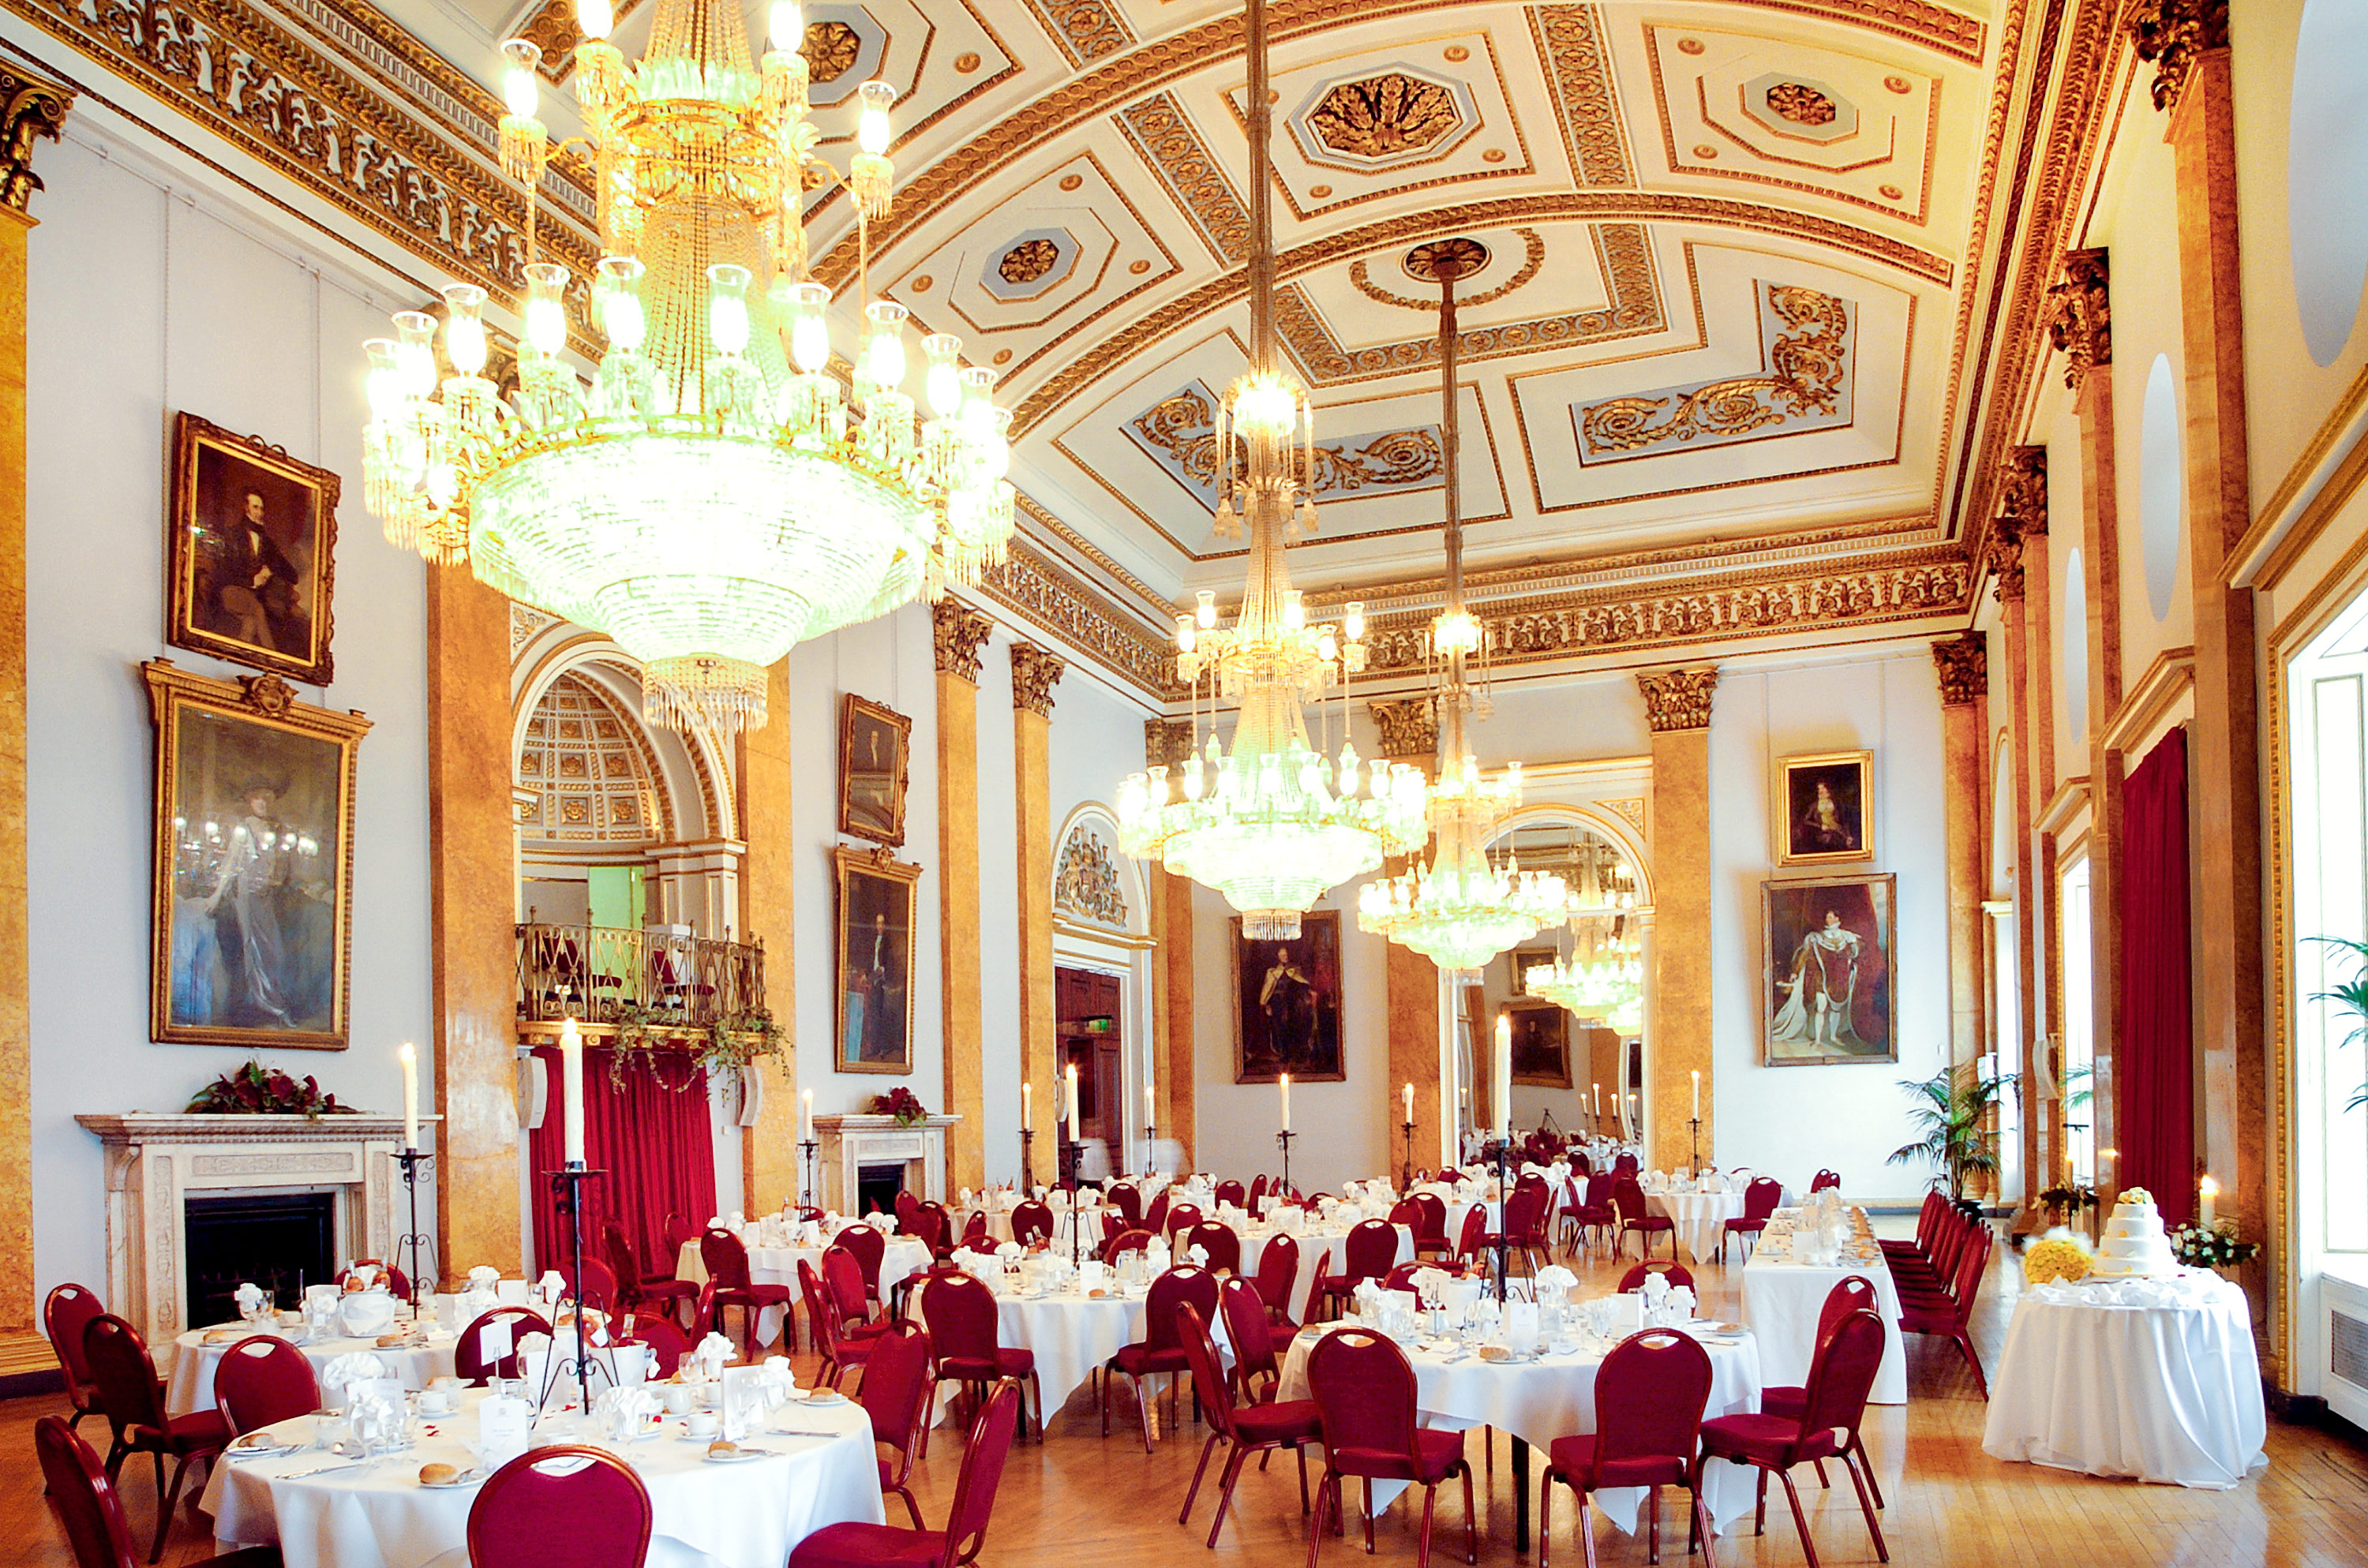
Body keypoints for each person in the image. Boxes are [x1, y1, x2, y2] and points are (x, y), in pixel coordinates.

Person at [205, 779, 298, 1027]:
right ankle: (266, 1006)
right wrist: (216, 895)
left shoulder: (274, 829)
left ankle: (272, 1003)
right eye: (258, 798)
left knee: (274, 950)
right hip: (248, 895)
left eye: (267, 798)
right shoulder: (244, 829)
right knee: (254, 948)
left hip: (267, 896)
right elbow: (231, 864)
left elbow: (281, 863)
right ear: (250, 801)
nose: (263, 803)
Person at [200, 488, 305, 654]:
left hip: (254, 596)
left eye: (262, 509)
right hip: (228, 592)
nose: (259, 513)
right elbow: (223, 574)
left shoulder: (267, 542)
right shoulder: (232, 534)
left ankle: (237, 657)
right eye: (255, 507)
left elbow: (293, 575)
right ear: (246, 508)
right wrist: (252, 580)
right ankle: (272, 657)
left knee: (250, 622)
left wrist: (270, 570)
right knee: (257, 610)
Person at [1772, 908, 1864, 1052]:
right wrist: (1795, 972)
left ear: (1837, 919)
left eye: (1831, 917)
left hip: (1838, 978)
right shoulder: (1816, 938)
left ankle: (1833, 1036)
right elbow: (1805, 954)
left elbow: (1856, 954)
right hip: (1821, 977)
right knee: (1821, 1008)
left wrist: (1854, 948)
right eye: (1827, 917)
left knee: (1836, 1008)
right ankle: (1818, 1040)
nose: (1828, 920)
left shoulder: (1847, 937)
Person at [1257, 945, 1317, 1066]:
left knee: (1293, 1027)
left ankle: (1294, 1053)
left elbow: (1302, 985)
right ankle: (1283, 1053)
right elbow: (1268, 989)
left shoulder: (1295, 970)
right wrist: (1267, 1003)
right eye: (1282, 955)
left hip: (1292, 1003)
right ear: (1278, 957)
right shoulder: (1272, 972)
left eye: (1286, 954)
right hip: (1277, 1003)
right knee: (1279, 1027)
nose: (1285, 957)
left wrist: (1308, 994)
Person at [1795, 777, 1857, 854]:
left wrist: (1848, 835)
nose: (1821, 791)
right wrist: (1820, 826)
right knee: (1827, 840)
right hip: (1823, 832)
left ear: (1828, 789)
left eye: (1823, 788)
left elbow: (1844, 821)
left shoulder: (1836, 803)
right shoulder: (1815, 805)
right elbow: (1806, 820)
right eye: (1819, 789)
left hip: (1838, 831)